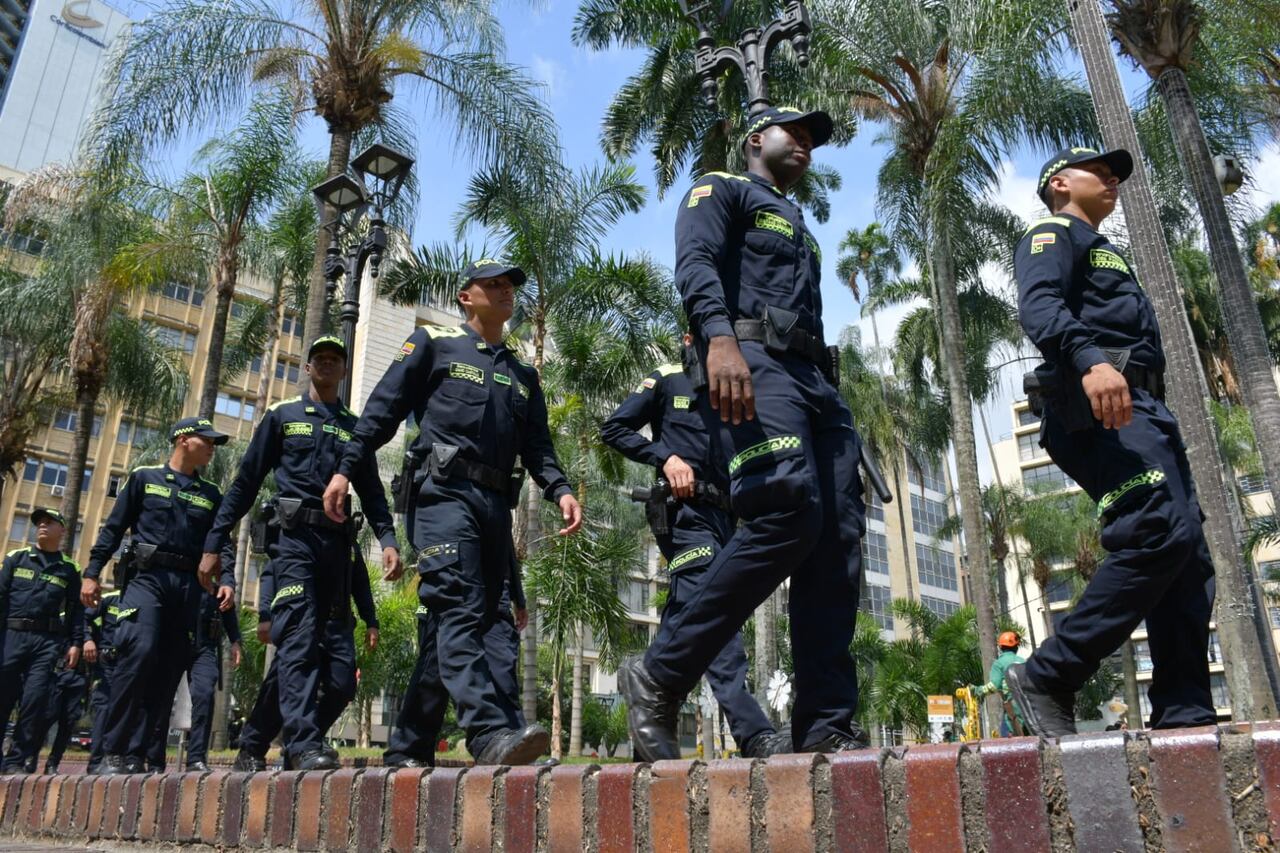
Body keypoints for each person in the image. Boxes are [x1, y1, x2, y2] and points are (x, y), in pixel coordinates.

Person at [618, 107, 870, 762]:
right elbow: (695, 260)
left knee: (837, 540)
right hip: (755, 365)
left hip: (816, 382)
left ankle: (825, 724)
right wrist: (720, 338)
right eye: (799, 131)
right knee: (784, 511)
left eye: (816, 136)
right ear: (758, 138)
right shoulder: (719, 188)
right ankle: (661, 673)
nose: (809, 142)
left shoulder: (799, 224)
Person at [323, 259, 583, 766]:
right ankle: (490, 734)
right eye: (494, 283)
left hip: (494, 511)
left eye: (511, 284)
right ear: (466, 296)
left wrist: (561, 489)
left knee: (492, 626)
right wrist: (343, 471)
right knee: (460, 605)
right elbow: (381, 411)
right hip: (442, 495)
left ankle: (409, 747)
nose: (506, 290)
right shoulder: (434, 345)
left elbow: (539, 448)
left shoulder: (523, 374)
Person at [1005, 146, 1217, 736]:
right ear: (1058, 184)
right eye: (1097, 172)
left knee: (1189, 556)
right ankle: (1049, 675)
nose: (1111, 180)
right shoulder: (1051, 233)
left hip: (1142, 405)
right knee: (1156, 528)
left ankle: (1185, 715)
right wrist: (1091, 361)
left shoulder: (1103, 248)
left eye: (1115, 174)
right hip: (1095, 400)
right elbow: (1040, 306)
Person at [201, 335, 400, 772]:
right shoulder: (282, 416)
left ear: (343, 371)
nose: (327, 365)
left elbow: (372, 491)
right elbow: (245, 483)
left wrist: (387, 539)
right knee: (299, 645)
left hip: (337, 551)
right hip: (293, 545)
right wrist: (214, 542)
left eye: (335, 360)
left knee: (342, 677)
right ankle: (303, 744)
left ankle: (254, 742)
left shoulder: (355, 427)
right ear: (307, 368)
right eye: (319, 359)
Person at [600, 337, 782, 758]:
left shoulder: (734, 387)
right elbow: (614, 428)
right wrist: (664, 457)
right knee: (717, 613)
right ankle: (754, 733)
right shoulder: (667, 379)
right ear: (688, 338)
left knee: (688, 612)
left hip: (727, 518)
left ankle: (650, 717)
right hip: (684, 516)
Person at [82, 418, 237, 774]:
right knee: (139, 651)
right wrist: (92, 573)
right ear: (182, 440)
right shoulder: (143, 478)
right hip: (147, 580)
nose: (213, 447)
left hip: (188, 588)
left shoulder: (211, 494)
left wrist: (226, 578)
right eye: (207, 440)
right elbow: (113, 528)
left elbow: (221, 544)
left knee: (167, 670)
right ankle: (113, 751)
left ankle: (139, 755)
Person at [232, 546, 377, 771]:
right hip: (301, 618)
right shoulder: (300, 532)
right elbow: (273, 570)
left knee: (343, 685)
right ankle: (252, 748)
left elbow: (360, 581)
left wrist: (371, 621)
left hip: (337, 625)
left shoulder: (348, 541)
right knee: (281, 687)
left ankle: (303, 743)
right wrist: (265, 614)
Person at [383, 551, 526, 768]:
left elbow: (504, 539)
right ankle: (408, 749)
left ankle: (515, 749)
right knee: (434, 671)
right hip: (451, 581)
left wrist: (518, 596)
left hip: (495, 587)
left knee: (503, 666)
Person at [0, 508, 83, 773]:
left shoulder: (69, 569)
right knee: (3, 697)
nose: (43, 526)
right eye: (39, 523)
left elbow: (75, 611)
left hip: (46, 642)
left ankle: (17, 761)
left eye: (49, 522)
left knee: (34, 700)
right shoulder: (17, 558)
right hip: (11, 637)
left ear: (63, 530)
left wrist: (75, 643)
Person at [143, 590, 242, 771]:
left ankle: (196, 759)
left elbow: (227, 604)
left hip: (205, 643)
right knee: (162, 700)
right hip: (174, 638)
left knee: (204, 694)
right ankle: (155, 762)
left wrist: (235, 639)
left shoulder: (215, 572)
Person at [27, 651, 90, 774]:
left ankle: (53, 763)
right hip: (58, 672)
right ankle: (31, 757)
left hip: (80, 675)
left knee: (69, 721)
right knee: (48, 716)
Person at [82, 585, 123, 774]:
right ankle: (96, 762)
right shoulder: (110, 598)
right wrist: (87, 640)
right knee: (103, 710)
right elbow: (84, 618)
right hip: (107, 663)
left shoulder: (144, 600)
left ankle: (120, 759)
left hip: (130, 665)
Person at [971, 631, 1025, 736]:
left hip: (1013, 708)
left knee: (1007, 739)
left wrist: (977, 690)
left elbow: (993, 686)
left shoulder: (999, 664)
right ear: (1016, 647)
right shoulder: (1023, 661)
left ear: (1001, 647)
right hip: (1028, 706)